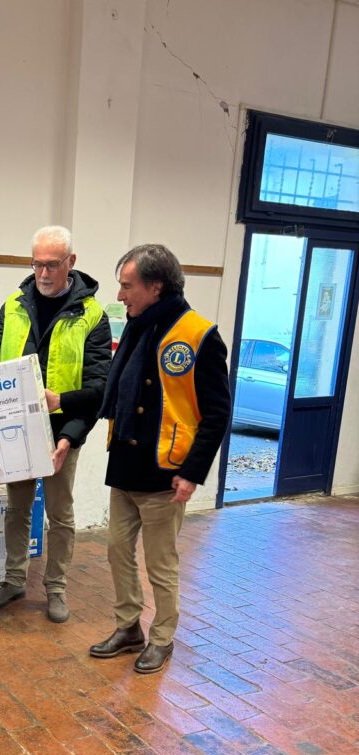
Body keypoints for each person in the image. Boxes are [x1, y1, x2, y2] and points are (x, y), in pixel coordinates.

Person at [90, 244, 231, 673]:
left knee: (161, 564)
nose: (120, 296)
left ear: (155, 286)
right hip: (126, 467)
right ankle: (128, 627)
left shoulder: (199, 335)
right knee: (117, 551)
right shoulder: (137, 327)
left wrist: (192, 473)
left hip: (166, 473)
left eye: (127, 286)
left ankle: (162, 638)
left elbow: (217, 413)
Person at [0, 226, 111, 623]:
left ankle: (56, 588)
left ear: (71, 262)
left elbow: (100, 387)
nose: (43, 273)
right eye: (37, 264)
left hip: (61, 431)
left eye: (52, 265)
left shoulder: (93, 316)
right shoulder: (15, 302)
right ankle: (15, 579)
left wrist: (68, 434)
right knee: (16, 510)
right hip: (15, 428)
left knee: (60, 515)